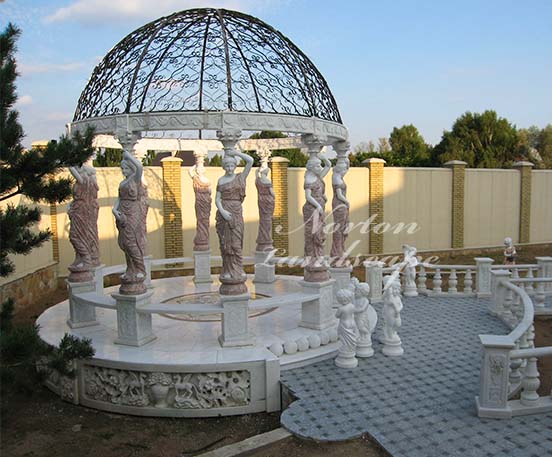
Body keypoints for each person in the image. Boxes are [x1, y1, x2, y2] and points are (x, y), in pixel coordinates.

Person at [215, 150, 253, 284]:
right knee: (225, 244)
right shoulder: (221, 180)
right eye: (227, 166)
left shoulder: (240, 178)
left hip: (236, 213)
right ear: (224, 167)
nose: (230, 169)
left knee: (236, 244)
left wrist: (235, 152)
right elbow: (217, 199)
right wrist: (223, 211)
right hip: (224, 213)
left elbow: (250, 161)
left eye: (232, 166)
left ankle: (238, 269)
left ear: (235, 166)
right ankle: (226, 270)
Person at [113, 150, 148, 292]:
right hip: (122, 211)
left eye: (126, 168)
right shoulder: (122, 183)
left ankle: (140, 269)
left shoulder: (135, 178)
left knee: (131, 240)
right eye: (122, 168)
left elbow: (140, 167)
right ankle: (130, 269)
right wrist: (114, 210)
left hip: (133, 211)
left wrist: (129, 156)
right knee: (124, 243)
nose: (124, 171)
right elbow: (119, 199)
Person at [303, 154, 331, 280]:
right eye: (318, 165)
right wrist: (317, 206)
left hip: (320, 206)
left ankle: (319, 257)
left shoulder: (318, 176)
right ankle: (312, 258)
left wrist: (322, 157)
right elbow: (308, 197)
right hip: (312, 209)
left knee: (320, 233)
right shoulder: (309, 179)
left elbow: (329, 165)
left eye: (320, 165)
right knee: (313, 234)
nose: (320, 167)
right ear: (311, 167)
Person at [68, 164, 100, 270]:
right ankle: (80, 257)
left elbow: (71, 169)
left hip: (81, 210)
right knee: (82, 235)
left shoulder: (84, 180)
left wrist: (71, 158)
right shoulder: (89, 181)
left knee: (75, 236)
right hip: (80, 209)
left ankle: (86, 259)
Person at [330, 158, 350, 267]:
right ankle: (337, 251)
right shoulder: (336, 178)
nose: (345, 171)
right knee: (339, 228)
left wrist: (346, 160)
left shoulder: (339, 176)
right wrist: (347, 202)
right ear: (339, 169)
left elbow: (347, 169)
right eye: (343, 169)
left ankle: (341, 248)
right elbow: (339, 195)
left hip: (343, 204)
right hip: (339, 204)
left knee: (343, 228)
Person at [189, 159, 211, 251]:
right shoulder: (196, 179)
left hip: (206, 202)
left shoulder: (207, 180)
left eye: (201, 169)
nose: (199, 171)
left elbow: (210, 192)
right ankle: (201, 238)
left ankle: (204, 238)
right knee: (200, 219)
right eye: (198, 169)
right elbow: (189, 172)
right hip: (199, 201)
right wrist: (195, 165)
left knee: (205, 220)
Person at [255, 165, 275, 252]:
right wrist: (274, 197)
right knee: (267, 220)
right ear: (266, 173)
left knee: (263, 220)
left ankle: (263, 238)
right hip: (268, 200)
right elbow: (272, 192)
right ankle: (266, 239)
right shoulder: (267, 181)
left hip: (261, 200)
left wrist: (257, 171)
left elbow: (256, 175)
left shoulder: (258, 180)